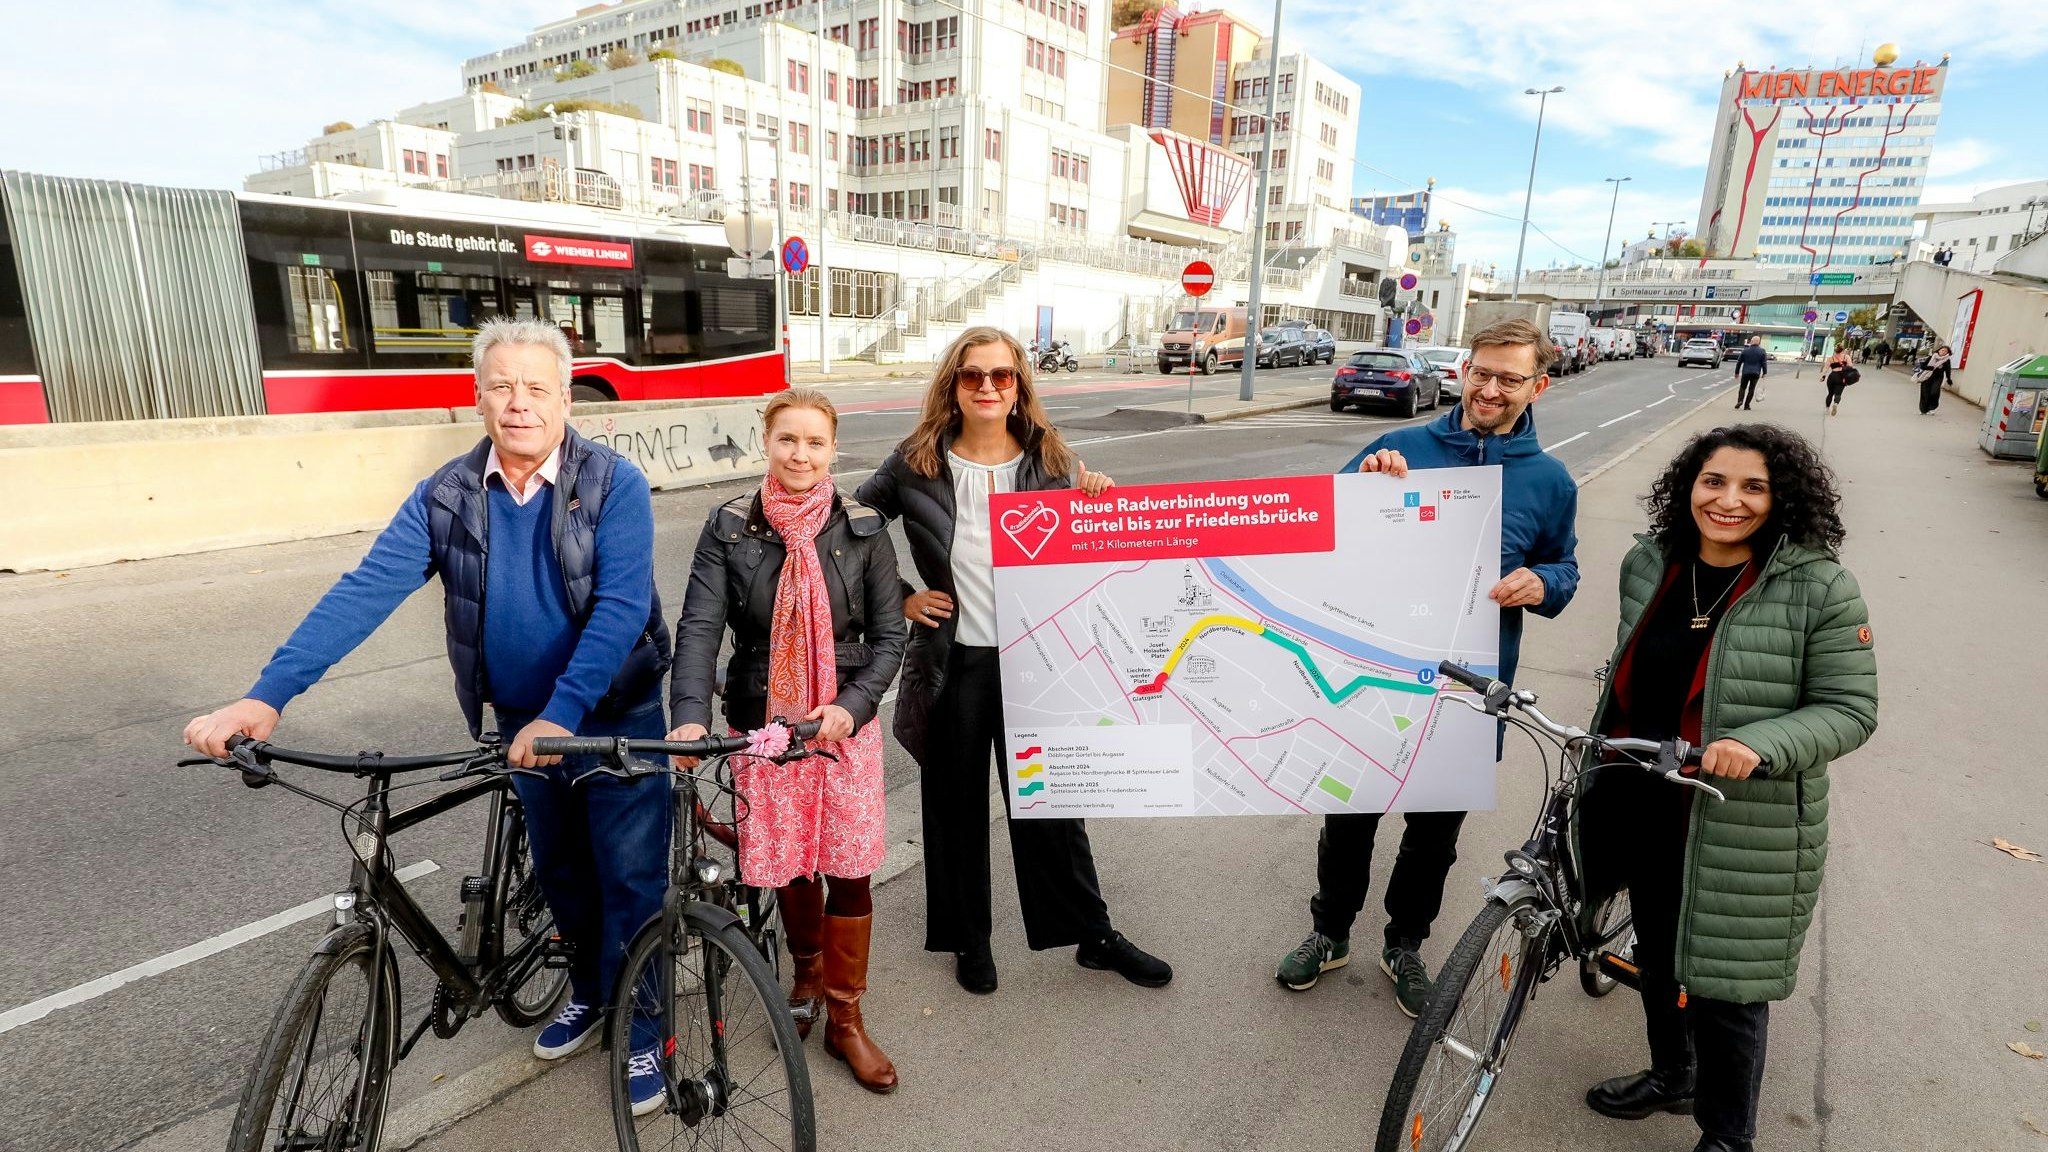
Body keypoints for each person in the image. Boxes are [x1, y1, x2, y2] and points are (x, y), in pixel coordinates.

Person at [183, 317, 672, 1075]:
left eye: (537, 388)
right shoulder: (446, 495)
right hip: (520, 725)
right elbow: (364, 592)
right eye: (502, 386)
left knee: (631, 881)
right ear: (478, 399)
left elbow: (620, 609)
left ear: (565, 401)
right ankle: (587, 989)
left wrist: (561, 712)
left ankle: (646, 1026)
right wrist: (266, 696)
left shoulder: (614, 484)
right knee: (564, 878)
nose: (519, 403)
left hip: (613, 718)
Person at [1577, 424, 1877, 1152]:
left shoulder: (1818, 585)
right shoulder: (1650, 563)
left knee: (1725, 986)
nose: (1729, 501)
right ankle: (1671, 1074)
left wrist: (1756, 744)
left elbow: (1850, 708)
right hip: (1642, 789)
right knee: (1656, 950)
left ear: (1782, 500)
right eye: (1714, 481)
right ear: (1689, 486)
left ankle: (1727, 1136)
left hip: (1742, 816)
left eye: (1753, 487)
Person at [1277, 316, 1581, 1016]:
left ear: (1538, 385)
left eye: (1510, 378)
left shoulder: (1549, 481)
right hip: (1372, 675)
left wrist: (1544, 583)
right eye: (1481, 372)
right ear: (1463, 371)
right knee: (1348, 815)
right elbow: (1322, 536)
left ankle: (1406, 943)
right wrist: (1364, 489)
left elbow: (1563, 566)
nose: (1490, 388)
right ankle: (1329, 932)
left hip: (1469, 691)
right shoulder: (1399, 446)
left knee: (1434, 835)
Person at [856, 326, 1172, 995]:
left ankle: (1093, 934)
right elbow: (851, 528)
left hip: (1039, 661)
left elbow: (1087, 559)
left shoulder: (1052, 461)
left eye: (1002, 376)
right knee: (954, 806)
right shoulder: (916, 462)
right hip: (956, 662)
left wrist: (1100, 505)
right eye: (974, 376)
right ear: (954, 386)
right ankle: (970, 939)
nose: (989, 387)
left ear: (1019, 385)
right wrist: (905, 599)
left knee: (1052, 804)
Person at [668, 387, 906, 1095]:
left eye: (814, 442)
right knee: (793, 864)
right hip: (764, 723)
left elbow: (891, 636)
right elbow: (700, 627)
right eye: (787, 440)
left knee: (848, 867)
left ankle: (846, 1016)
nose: (800, 454)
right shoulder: (729, 528)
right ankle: (805, 975)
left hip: (841, 727)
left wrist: (852, 707)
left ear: (833, 450)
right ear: (766, 443)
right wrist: (687, 714)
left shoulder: (863, 527)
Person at [1733, 336, 1768, 411]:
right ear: (1759, 342)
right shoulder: (1762, 351)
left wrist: (1737, 372)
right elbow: (1764, 363)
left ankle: (1740, 401)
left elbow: (1739, 362)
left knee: (1742, 387)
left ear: (1751, 342)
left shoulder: (1745, 350)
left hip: (1746, 372)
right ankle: (1747, 405)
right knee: (1751, 389)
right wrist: (1764, 372)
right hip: (1756, 373)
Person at [1917, 344, 1953, 414]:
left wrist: (1949, 379)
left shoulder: (1947, 360)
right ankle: (1923, 410)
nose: (1944, 352)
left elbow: (1948, 370)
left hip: (1938, 378)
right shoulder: (1932, 357)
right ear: (1939, 351)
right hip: (1927, 377)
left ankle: (1931, 408)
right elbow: (1922, 366)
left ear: (1948, 353)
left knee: (1934, 392)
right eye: (1942, 350)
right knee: (1925, 393)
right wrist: (1930, 368)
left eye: (1946, 351)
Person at [1822, 348, 1855, 416]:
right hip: (1841, 377)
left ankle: (1827, 409)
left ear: (1835, 351)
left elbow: (1825, 368)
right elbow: (1850, 366)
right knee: (1838, 394)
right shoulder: (1846, 357)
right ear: (1842, 351)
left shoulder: (1831, 358)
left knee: (1830, 393)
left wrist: (1823, 376)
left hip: (1832, 376)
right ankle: (1835, 404)